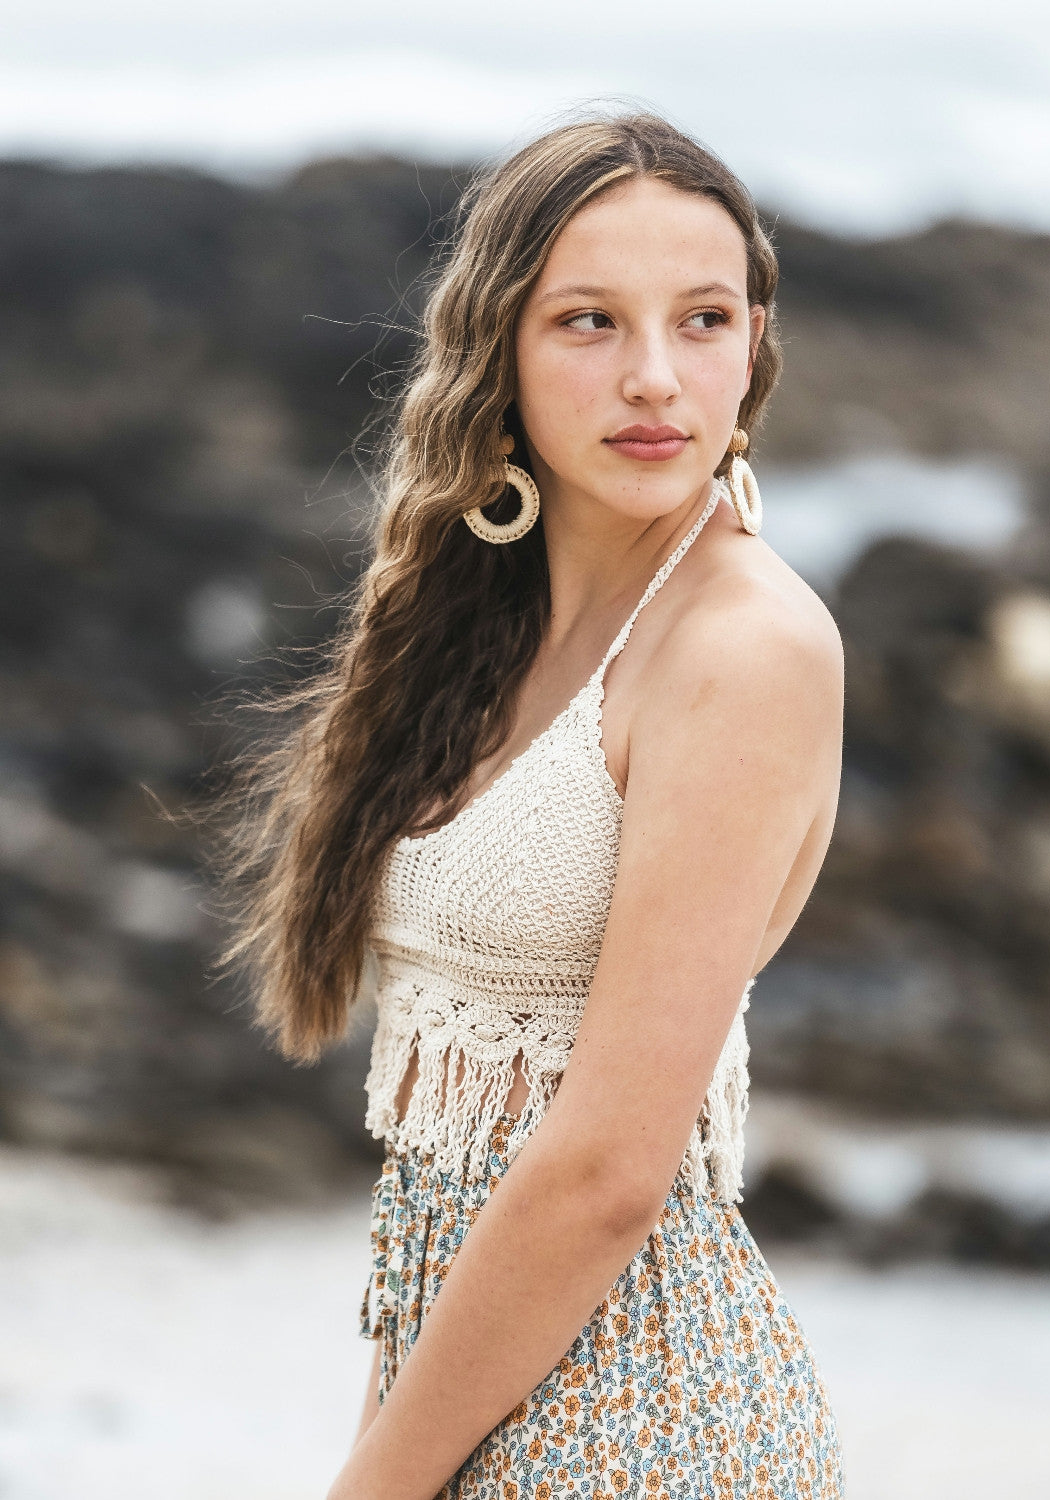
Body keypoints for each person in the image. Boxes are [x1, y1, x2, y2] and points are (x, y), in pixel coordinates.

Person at [213, 109, 846, 1498]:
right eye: (588, 323)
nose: (656, 380)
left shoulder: (742, 649)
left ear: (756, 342)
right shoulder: (500, 628)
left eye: (701, 319)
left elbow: (608, 1169)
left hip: (651, 1439)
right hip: (481, 1422)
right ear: (497, 345)